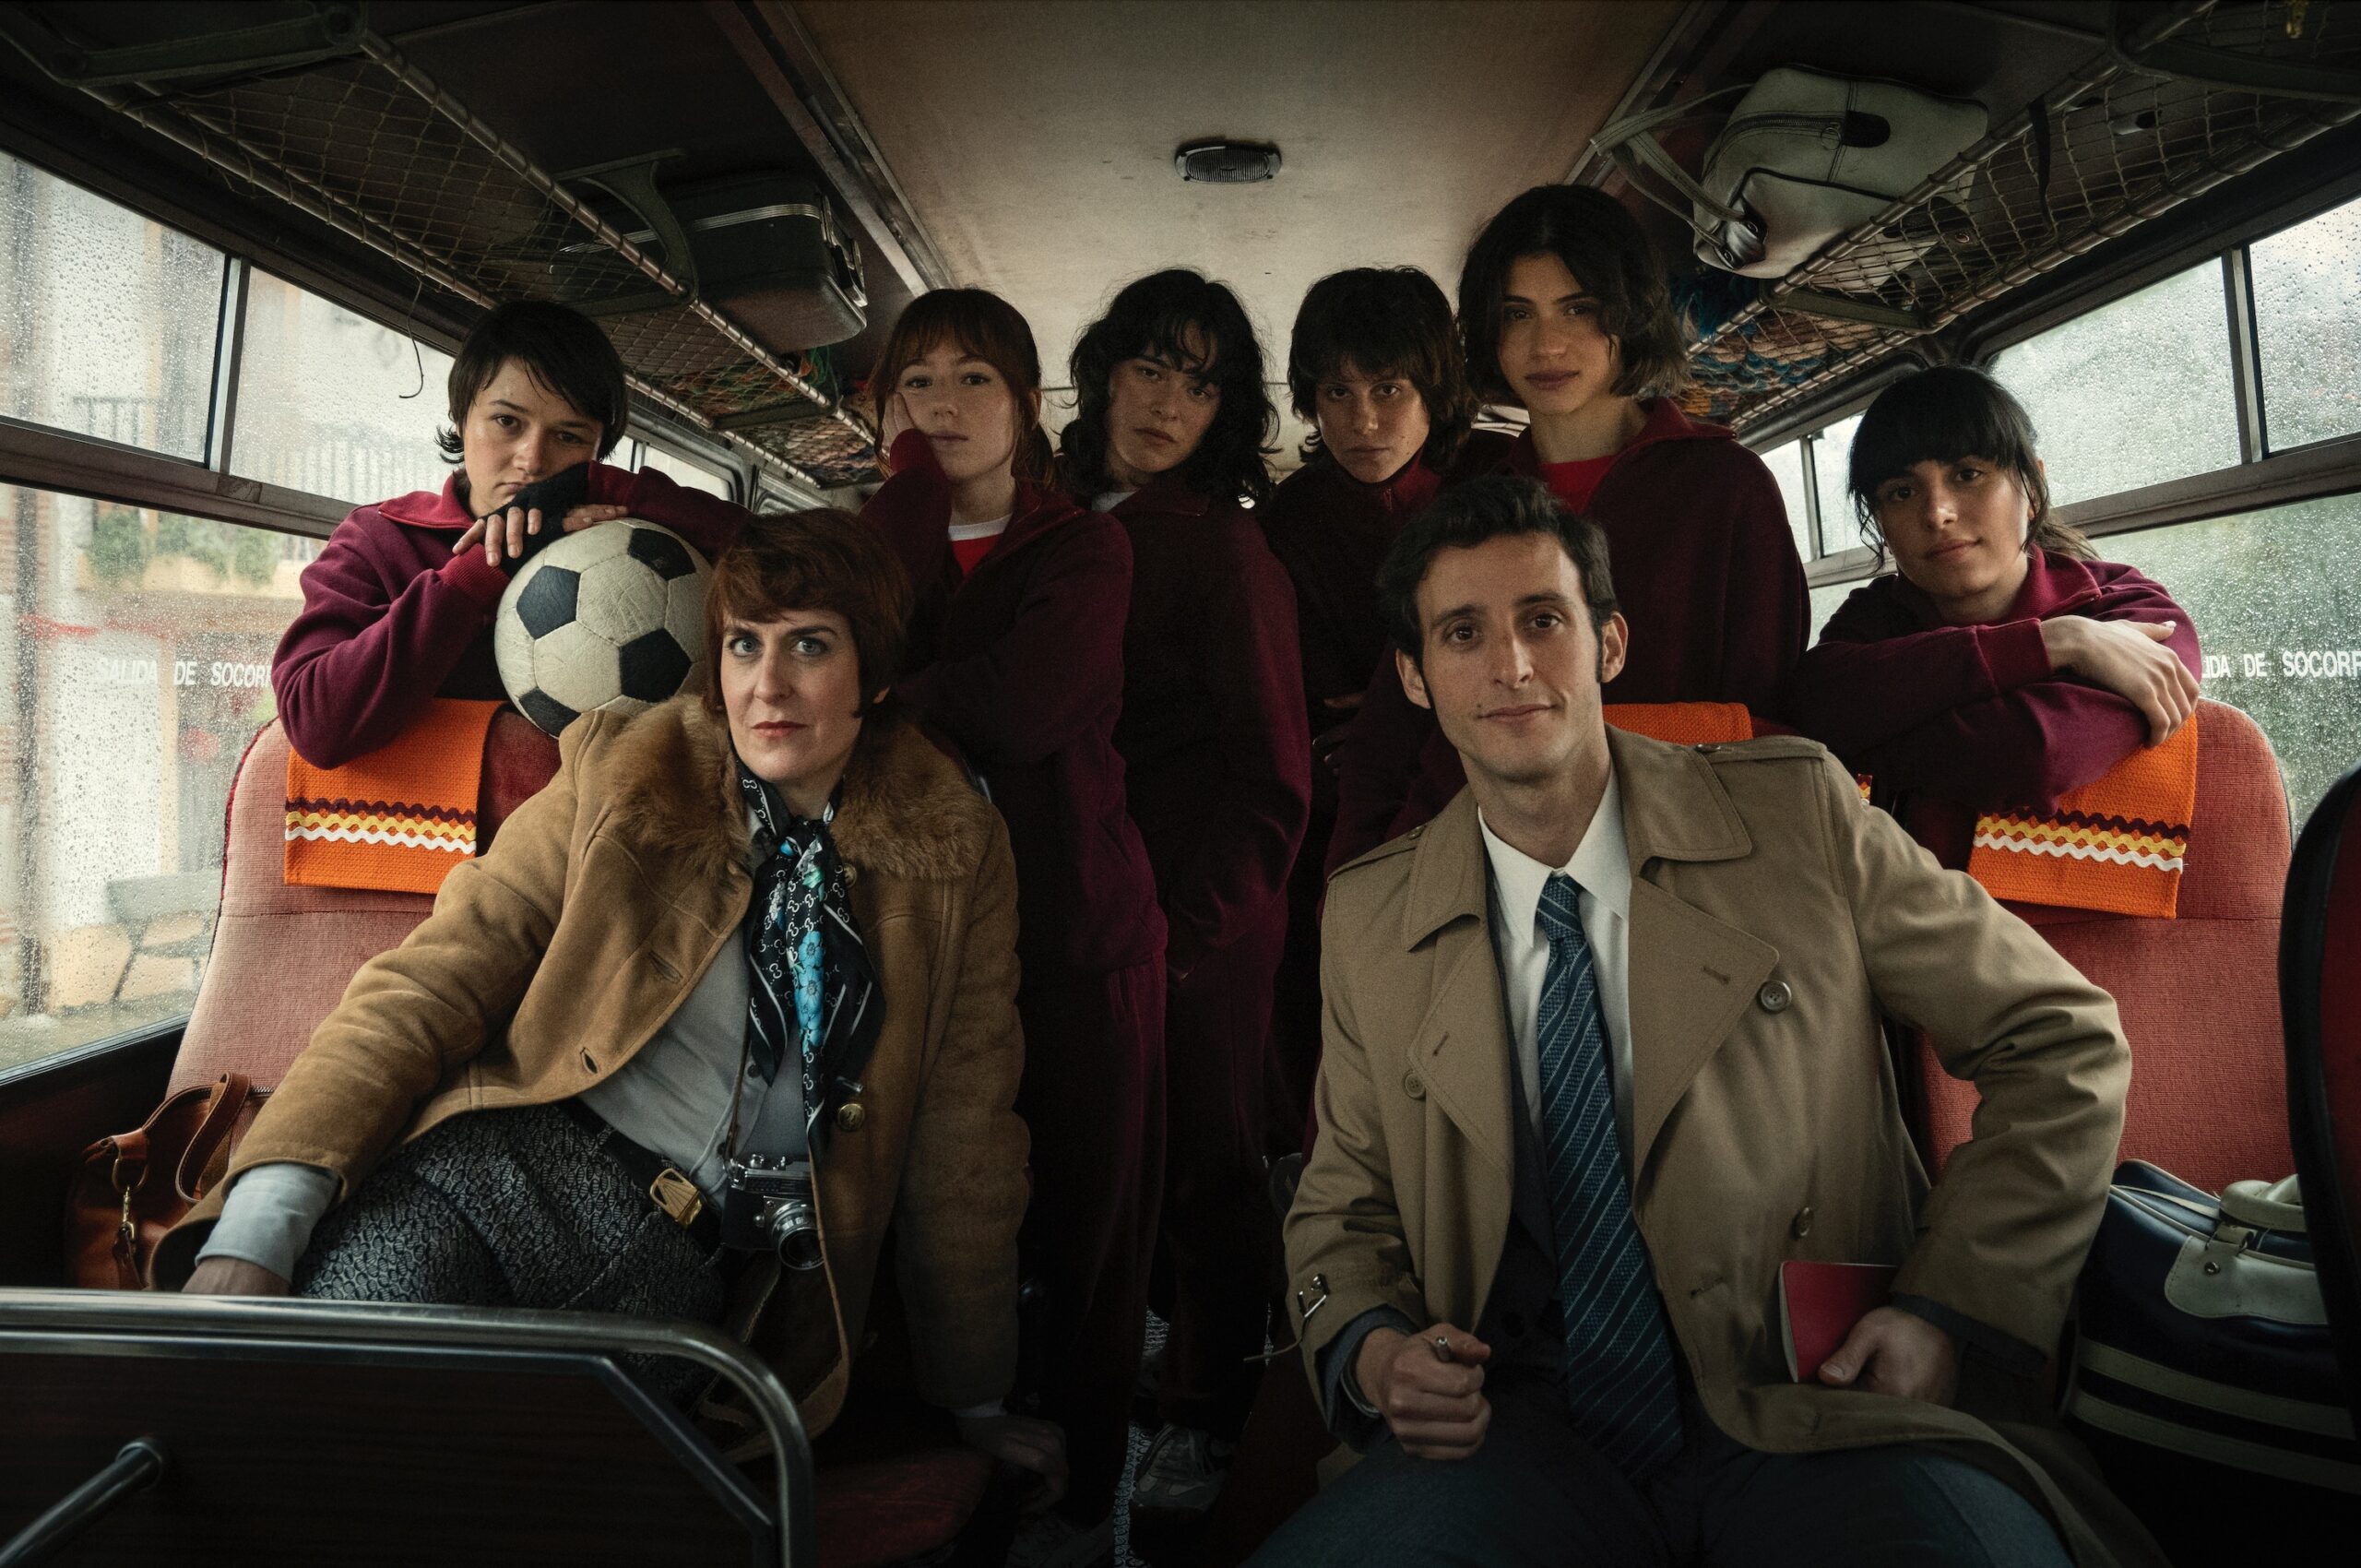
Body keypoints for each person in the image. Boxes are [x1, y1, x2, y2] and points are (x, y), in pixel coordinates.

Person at [1255, 475, 2157, 1568]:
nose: (1511, 665)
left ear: (1609, 643)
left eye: (1543, 619)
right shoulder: (1368, 917)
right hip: (1509, 1423)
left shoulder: (1797, 816)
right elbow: (1340, 1203)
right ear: (1413, 675)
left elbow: (2059, 1039)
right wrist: (1373, 1349)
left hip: (1819, 1396)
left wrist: (1947, 1307)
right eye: (1461, 633)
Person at [166, 510, 1062, 1487]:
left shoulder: (954, 852)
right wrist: (258, 1230)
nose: (767, 685)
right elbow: (429, 980)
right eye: (744, 645)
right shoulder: (626, 765)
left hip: (682, 1268)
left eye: (810, 646)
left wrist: (975, 1397)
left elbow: (965, 1141)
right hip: (491, 1171)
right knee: (303, 1419)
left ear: (876, 675)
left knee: (508, 1493)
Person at [861, 288, 1165, 1567]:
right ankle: (952, 1474)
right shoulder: (882, 536)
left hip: (1076, 933)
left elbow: (1028, 704)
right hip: (910, 943)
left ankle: (1087, 1494)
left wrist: (889, 697)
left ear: (1028, 404)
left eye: (974, 378)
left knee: (1085, 1227)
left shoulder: (1082, 548)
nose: (944, 405)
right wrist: (906, 503)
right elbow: (845, 637)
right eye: (917, 382)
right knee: (938, 1212)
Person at [1327, 184, 1806, 873]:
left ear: (1630, 314)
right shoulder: (1467, 507)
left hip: (1681, 863)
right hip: (1483, 869)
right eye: (1517, 314)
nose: (1546, 344)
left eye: (1579, 309)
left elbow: (1768, 730)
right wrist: (1351, 893)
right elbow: (1389, 740)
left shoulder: (1726, 488)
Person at [1059, 268, 1311, 1520]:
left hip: (1195, 919)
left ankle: (1209, 1414)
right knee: (1090, 1159)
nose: (1167, 403)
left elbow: (1275, 777)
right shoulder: (1054, 519)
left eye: (1200, 386)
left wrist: (1185, 937)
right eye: (1151, 368)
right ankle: (1103, 1387)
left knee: (1208, 1163)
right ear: (1105, 373)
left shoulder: (1222, 547)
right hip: (1073, 911)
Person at [273, 299, 754, 767]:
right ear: (461, 417)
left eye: (568, 436)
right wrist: (480, 571)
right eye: (507, 422)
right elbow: (316, 725)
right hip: (447, 816)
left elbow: (777, 548)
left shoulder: (623, 537)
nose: (533, 459)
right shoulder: (381, 537)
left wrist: (597, 486)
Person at [1786, 366, 2202, 868]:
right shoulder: (1871, 620)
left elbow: (2037, 755)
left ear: (2032, 486)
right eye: (1901, 492)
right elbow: (1811, 705)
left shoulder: (2131, 608)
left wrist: (1871, 734)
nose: (1937, 513)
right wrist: (2055, 643)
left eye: (1967, 474)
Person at [1260, 265, 1477, 1145]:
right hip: (1331, 820)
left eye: (1389, 389)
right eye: (1336, 393)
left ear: (1434, 389)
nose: (1363, 422)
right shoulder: (1286, 524)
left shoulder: (1483, 499)